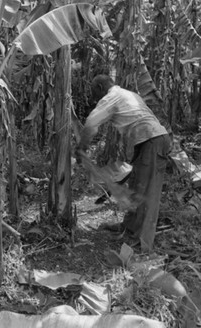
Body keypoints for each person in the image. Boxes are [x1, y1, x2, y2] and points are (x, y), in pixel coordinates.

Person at [76, 75, 171, 253]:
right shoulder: (128, 94)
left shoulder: (111, 97)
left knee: (147, 193)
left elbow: (91, 124)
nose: (94, 96)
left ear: (99, 87)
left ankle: (141, 244)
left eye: (93, 91)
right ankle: (129, 228)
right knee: (138, 186)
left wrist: (81, 147)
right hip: (148, 140)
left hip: (151, 140)